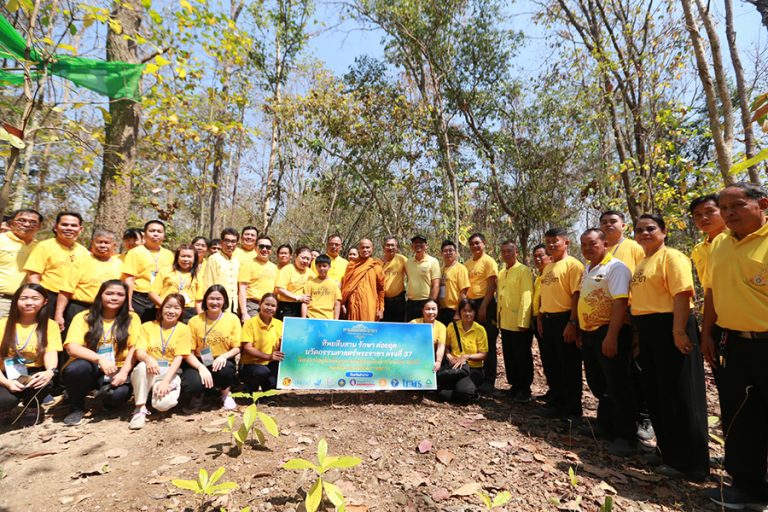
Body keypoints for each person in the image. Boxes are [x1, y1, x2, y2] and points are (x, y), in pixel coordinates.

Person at [701, 183, 768, 508]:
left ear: (762, 203)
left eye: (737, 205)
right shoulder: (720, 245)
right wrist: (707, 334)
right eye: (724, 208)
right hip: (733, 344)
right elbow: (712, 291)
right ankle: (746, 487)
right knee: (739, 416)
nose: (729, 213)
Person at [630, 214, 708, 481]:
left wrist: (678, 331)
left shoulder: (672, 257)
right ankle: (668, 452)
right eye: (639, 229)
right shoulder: (643, 262)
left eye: (651, 228)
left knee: (680, 394)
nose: (644, 233)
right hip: (649, 330)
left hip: (672, 328)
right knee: (657, 392)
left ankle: (692, 463)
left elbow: (682, 294)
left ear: (664, 231)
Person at [577, 229, 636, 456]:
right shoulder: (588, 268)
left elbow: (620, 303)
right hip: (590, 333)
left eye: (592, 244)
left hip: (609, 332)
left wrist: (611, 336)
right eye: (584, 245)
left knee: (618, 383)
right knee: (598, 382)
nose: (588, 248)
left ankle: (625, 436)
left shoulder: (616, 268)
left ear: (604, 244)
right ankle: (605, 424)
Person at [61, 280, 141, 426]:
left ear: (126, 298)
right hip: (90, 366)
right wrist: (100, 359)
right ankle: (77, 407)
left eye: (120, 295)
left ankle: (103, 400)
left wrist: (124, 373)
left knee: (118, 396)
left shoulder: (132, 318)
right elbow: (72, 347)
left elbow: (134, 348)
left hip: (116, 369)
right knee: (76, 369)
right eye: (109, 293)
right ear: (100, 295)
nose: (114, 298)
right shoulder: (84, 317)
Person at [537, 228, 584, 420]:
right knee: (552, 364)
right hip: (548, 320)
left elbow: (576, 295)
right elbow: (544, 296)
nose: (551, 244)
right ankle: (557, 403)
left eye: (555, 240)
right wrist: (540, 319)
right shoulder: (548, 268)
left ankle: (572, 410)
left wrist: (572, 322)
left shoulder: (573, 265)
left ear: (566, 242)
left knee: (569, 366)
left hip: (565, 319)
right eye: (548, 241)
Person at [129, 294, 192, 429]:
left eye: (176, 308)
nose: (171, 311)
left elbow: (179, 357)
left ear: (181, 311)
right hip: (150, 369)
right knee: (141, 367)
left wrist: (165, 381)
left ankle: (152, 391)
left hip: (170, 372)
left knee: (162, 405)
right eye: (168, 307)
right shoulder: (147, 327)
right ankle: (140, 408)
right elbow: (139, 351)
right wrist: (148, 359)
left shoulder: (184, 329)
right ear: (161, 308)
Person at [0, 284, 61, 418]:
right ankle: (6, 407)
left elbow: (50, 353)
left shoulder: (50, 325)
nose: (28, 302)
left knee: (44, 382)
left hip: (33, 373)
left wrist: (50, 371)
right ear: (16, 301)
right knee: (5, 400)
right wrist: (7, 383)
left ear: (45, 302)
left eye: (35, 298)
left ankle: (32, 406)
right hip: (4, 375)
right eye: (23, 298)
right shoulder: (3, 324)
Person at [183, 285, 242, 411]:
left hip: (222, 360)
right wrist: (200, 367)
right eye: (211, 298)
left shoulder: (232, 319)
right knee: (192, 383)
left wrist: (224, 356)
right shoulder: (194, 321)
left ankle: (225, 394)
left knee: (226, 370)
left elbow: (237, 347)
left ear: (224, 301)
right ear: (205, 300)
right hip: (199, 360)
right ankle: (198, 395)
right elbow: (188, 352)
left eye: (218, 299)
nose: (214, 302)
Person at [55, 229, 122, 332]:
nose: (102, 245)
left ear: (114, 245)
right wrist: (59, 314)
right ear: (92, 243)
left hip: (106, 311)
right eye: (99, 242)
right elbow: (66, 290)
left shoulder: (120, 264)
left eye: (106, 243)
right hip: (79, 308)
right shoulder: (80, 261)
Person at [24, 212, 89, 313]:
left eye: (73, 225)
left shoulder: (84, 251)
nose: (69, 228)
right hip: (48, 297)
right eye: (64, 224)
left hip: (72, 301)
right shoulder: (44, 246)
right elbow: (33, 276)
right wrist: (39, 298)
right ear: (55, 227)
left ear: (80, 229)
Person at [496, 240, 534, 403]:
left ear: (516, 253)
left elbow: (527, 295)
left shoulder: (523, 270)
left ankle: (525, 389)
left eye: (509, 251)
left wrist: (524, 321)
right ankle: (515, 385)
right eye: (503, 251)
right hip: (505, 321)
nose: (506, 254)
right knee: (509, 355)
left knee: (521, 356)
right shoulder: (501, 272)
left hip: (519, 322)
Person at [464, 233, 499, 393]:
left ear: (484, 243)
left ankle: (489, 380)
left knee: (488, 341)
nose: (475, 246)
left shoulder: (489, 261)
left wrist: (484, 306)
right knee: (474, 341)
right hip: (471, 304)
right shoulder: (467, 264)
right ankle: (476, 376)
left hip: (486, 303)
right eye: (472, 244)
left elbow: (492, 285)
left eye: (477, 243)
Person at [120, 220, 174, 322]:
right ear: (144, 234)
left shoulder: (169, 255)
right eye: (152, 231)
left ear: (164, 235)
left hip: (160, 298)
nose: (155, 234)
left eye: (159, 231)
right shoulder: (135, 252)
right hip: (139, 298)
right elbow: (129, 280)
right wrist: (128, 304)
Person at [439, 298, 488, 403]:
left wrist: (467, 357)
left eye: (470, 311)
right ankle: (460, 388)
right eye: (464, 310)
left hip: (473, 369)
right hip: (455, 367)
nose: (467, 314)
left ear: (475, 312)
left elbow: (483, 354)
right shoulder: (452, 326)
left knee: (463, 392)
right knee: (444, 395)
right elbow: (446, 347)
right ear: (460, 312)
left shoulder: (480, 330)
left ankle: (471, 392)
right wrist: (449, 355)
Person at [0, 209, 42, 318]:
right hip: (2, 301)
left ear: (39, 226)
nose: (27, 224)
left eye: (33, 222)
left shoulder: (40, 247)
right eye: (21, 220)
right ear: (11, 223)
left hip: (28, 304)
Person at [240, 293, 284, 392]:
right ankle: (249, 390)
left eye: (273, 306)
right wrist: (268, 356)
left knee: (272, 386)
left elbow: (282, 347)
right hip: (252, 365)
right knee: (261, 372)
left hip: (271, 364)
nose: (270, 308)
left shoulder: (279, 324)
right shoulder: (250, 323)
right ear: (260, 304)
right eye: (267, 304)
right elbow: (247, 348)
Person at [150, 244, 203, 322]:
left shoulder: (197, 275)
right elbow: (152, 293)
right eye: (183, 256)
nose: (185, 259)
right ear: (177, 257)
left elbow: (198, 301)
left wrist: (201, 319)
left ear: (194, 259)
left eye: (189, 257)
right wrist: (165, 306)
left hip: (188, 312)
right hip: (166, 310)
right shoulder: (165, 271)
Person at [341, 239, 384, 321]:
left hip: (370, 306)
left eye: (367, 247)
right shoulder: (352, 265)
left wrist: (381, 309)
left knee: (369, 328)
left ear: (372, 249)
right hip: (353, 304)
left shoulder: (376, 267)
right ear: (359, 249)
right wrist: (342, 303)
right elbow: (346, 287)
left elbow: (381, 289)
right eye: (363, 247)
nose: (365, 250)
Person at [238, 235, 278, 322]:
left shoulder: (274, 267)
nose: (264, 249)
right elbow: (242, 289)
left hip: (269, 306)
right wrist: (244, 312)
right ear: (255, 248)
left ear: (271, 250)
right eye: (261, 246)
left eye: (268, 247)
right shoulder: (247, 264)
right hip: (252, 306)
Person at [689, 194, 726, 284]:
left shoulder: (739, 239)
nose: (703, 218)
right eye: (698, 215)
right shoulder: (698, 250)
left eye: (710, 211)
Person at [203, 228, 241, 315]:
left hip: (234, 305)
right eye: (227, 241)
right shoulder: (214, 259)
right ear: (221, 242)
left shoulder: (236, 261)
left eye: (233, 241)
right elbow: (209, 283)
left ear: (237, 244)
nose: (230, 244)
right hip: (218, 304)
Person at [405, 235, 441, 321]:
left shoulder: (433, 261)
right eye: (415, 243)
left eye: (421, 242)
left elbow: (436, 285)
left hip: (425, 302)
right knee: (410, 327)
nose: (418, 244)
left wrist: (431, 303)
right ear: (412, 246)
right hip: (410, 302)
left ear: (426, 246)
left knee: (425, 327)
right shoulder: (408, 262)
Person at [409, 299, 446, 373]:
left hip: (430, 362)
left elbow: (441, 346)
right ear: (423, 311)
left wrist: (438, 361)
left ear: (437, 310)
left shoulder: (441, 327)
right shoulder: (414, 323)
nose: (431, 312)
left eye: (433, 309)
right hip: (412, 360)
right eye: (428, 309)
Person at [275, 246, 312, 319]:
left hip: (305, 308)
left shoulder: (311, 273)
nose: (305, 261)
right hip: (288, 307)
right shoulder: (287, 269)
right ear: (295, 256)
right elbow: (279, 289)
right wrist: (297, 297)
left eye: (308, 259)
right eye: (303, 258)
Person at [304, 255, 342, 320]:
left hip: (328, 318)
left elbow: (337, 304)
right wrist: (303, 319)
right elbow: (305, 303)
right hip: (311, 317)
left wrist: (336, 320)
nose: (321, 268)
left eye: (324, 266)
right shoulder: (309, 283)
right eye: (319, 266)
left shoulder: (334, 284)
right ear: (316, 267)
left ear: (329, 267)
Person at [379, 237, 407, 323]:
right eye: (388, 245)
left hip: (399, 301)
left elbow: (411, 275)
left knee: (399, 326)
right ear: (383, 247)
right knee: (383, 325)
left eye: (392, 245)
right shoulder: (377, 262)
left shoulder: (402, 259)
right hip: (383, 301)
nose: (390, 247)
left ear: (397, 247)